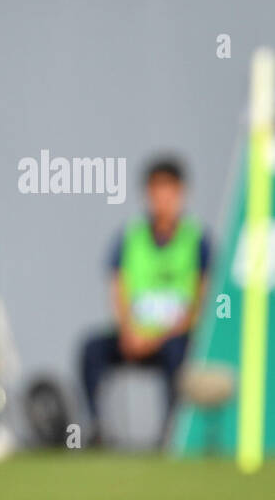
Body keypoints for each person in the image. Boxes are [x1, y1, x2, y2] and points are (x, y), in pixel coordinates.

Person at [79, 157, 210, 447]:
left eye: (169, 190)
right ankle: (97, 430)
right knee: (91, 349)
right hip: (134, 335)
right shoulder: (130, 237)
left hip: (174, 337)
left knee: (180, 354)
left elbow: (204, 301)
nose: (162, 199)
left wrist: (159, 337)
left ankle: (172, 435)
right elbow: (118, 291)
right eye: (156, 190)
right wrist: (129, 331)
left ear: (181, 193)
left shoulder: (197, 239)